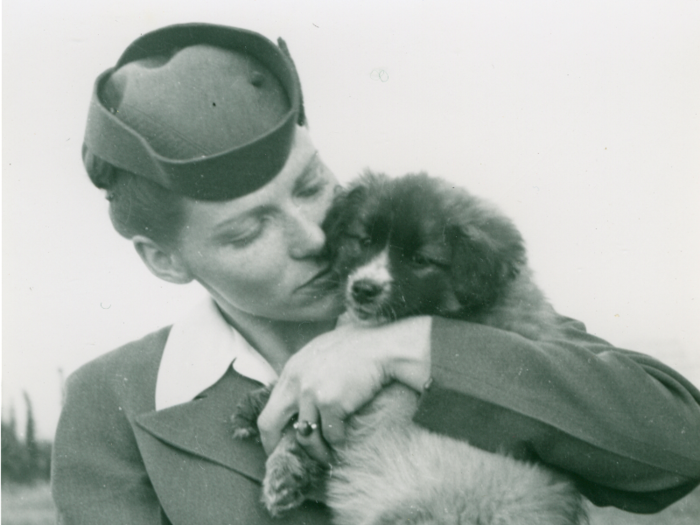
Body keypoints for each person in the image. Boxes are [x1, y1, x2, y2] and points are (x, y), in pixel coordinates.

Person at [51, 23, 700, 524]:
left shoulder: (471, 314)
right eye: (249, 229)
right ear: (165, 258)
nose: (314, 236)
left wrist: (410, 346)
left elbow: (677, 444)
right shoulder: (113, 401)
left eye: (310, 184)